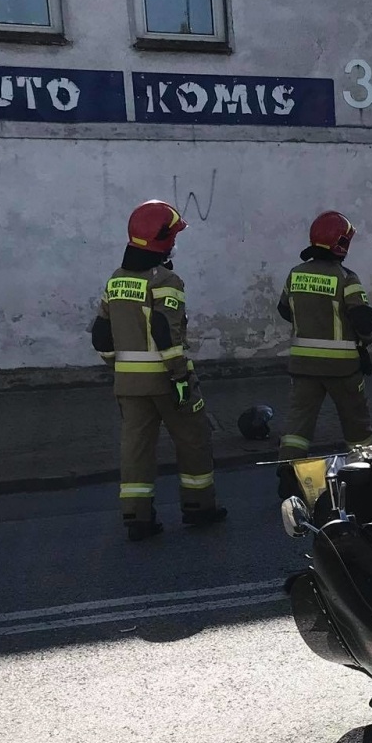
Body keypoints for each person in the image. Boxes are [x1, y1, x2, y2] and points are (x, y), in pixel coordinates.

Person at [90, 200, 227, 542]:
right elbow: (168, 335)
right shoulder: (167, 280)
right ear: (162, 241)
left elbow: (101, 335)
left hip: (128, 384)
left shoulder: (116, 281)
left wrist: (117, 366)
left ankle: (137, 518)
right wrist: (179, 376)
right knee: (193, 440)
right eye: (173, 237)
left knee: (135, 448)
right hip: (167, 381)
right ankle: (199, 508)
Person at [275, 210, 372, 463]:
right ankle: (364, 471)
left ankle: (287, 472)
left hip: (302, 366)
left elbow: (284, 309)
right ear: (340, 244)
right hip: (343, 369)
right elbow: (362, 319)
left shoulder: (295, 273)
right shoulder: (346, 278)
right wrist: (366, 341)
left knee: (298, 425)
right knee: (357, 426)